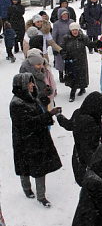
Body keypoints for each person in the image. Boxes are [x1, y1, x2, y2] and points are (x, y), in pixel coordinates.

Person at [9, 73, 62, 207]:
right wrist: (49, 115)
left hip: (37, 140)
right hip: (26, 142)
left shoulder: (29, 96)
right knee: (25, 167)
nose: (32, 85)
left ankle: (41, 196)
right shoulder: (16, 104)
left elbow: (37, 103)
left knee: (40, 169)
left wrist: (44, 94)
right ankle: (27, 189)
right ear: (21, 86)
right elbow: (28, 123)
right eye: (29, 83)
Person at [56, 91, 102, 186]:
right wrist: (97, 167)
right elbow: (87, 149)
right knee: (90, 189)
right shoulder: (90, 123)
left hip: (77, 155)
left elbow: (69, 125)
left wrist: (59, 116)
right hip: (85, 162)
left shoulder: (78, 113)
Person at [61, 22, 99, 102]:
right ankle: (72, 93)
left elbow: (89, 44)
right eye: (73, 30)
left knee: (82, 75)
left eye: (76, 30)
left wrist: (96, 44)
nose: (75, 32)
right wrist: (65, 56)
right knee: (73, 76)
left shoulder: (82, 37)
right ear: (70, 31)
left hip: (81, 60)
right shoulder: (66, 38)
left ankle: (82, 88)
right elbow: (62, 48)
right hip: (71, 61)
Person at [52, 8, 74, 83]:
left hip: (70, 45)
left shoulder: (71, 22)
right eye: (63, 14)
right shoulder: (56, 24)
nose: (65, 16)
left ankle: (68, 74)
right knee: (60, 61)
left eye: (66, 14)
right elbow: (54, 37)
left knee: (70, 61)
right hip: (60, 45)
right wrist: (54, 48)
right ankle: (61, 74)